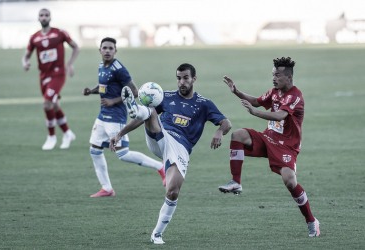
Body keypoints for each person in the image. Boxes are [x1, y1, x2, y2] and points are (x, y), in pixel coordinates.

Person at [110, 63, 232, 244]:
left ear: (194, 79)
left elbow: (226, 123)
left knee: (173, 192)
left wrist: (219, 132)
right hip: (161, 136)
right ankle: (136, 108)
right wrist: (120, 133)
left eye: (185, 78)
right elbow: (145, 118)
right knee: (150, 107)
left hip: (180, 148)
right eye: (178, 78)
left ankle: (156, 234)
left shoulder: (203, 104)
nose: (181, 82)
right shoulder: (164, 96)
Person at [218, 57, 320, 237]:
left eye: (278, 75)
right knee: (238, 135)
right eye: (273, 74)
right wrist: (236, 92)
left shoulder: (295, 96)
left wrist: (254, 113)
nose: (274, 78)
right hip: (268, 138)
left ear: (288, 78)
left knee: (290, 181)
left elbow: (280, 116)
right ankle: (236, 182)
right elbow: (257, 101)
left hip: (287, 146)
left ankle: (311, 221)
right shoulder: (275, 92)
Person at [83, 37, 166, 198]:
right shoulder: (102, 65)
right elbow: (104, 86)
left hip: (116, 117)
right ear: (99, 50)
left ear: (115, 51)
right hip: (102, 117)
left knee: (123, 154)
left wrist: (113, 101)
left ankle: (160, 166)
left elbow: (134, 92)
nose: (107, 51)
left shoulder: (119, 69)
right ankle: (107, 189)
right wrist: (91, 91)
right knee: (94, 150)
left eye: (110, 48)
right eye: (104, 48)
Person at [22, 8, 79, 150]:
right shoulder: (34, 37)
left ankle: (51, 137)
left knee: (46, 104)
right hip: (43, 76)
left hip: (58, 74)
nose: (44, 17)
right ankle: (67, 133)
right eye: (41, 15)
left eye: (46, 15)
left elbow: (75, 47)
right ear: (38, 18)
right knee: (54, 105)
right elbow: (26, 55)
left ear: (50, 17)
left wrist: (70, 64)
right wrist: (25, 62)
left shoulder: (59, 33)